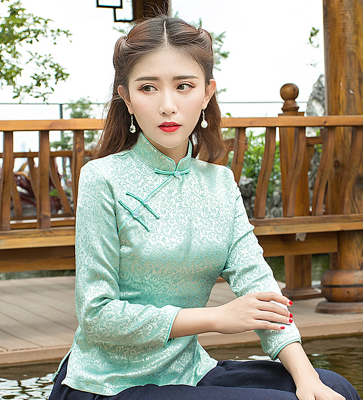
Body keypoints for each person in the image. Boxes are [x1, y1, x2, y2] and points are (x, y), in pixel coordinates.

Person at [49, 15, 361, 400]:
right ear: (126, 98)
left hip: (188, 371)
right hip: (107, 384)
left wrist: (306, 376)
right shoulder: (103, 178)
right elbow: (97, 315)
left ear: (207, 92)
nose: (167, 106)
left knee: (335, 387)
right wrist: (216, 318)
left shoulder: (219, 183)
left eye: (184, 86)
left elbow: (259, 285)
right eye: (148, 88)